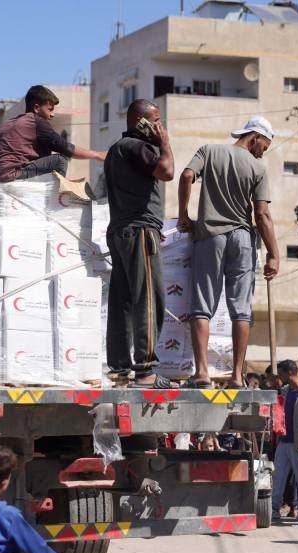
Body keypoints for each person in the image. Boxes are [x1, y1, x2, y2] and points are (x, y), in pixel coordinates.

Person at [176, 116, 281, 388]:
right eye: (264, 146)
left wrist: (183, 215)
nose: (262, 152)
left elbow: (186, 176)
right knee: (241, 310)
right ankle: (236, 376)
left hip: (210, 237)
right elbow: (262, 214)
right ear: (255, 137)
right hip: (242, 239)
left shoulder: (209, 151)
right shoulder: (257, 168)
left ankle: (202, 373)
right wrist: (274, 253)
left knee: (202, 307)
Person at [103, 99, 175, 388]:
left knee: (121, 302)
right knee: (148, 298)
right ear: (140, 122)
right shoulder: (137, 147)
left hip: (122, 230)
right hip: (139, 230)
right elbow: (167, 171)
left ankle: (119, 370)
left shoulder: (115, 150)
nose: (159, 126)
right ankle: (146, 371)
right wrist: (165, 144)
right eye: (155, 121)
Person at [0, 85, 105, 183]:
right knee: (60, 160)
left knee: (45, 152)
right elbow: (66, 148)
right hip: (9, 175)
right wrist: (98, 155)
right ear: (36, 108)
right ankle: (57, 197)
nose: (52, 114)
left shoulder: (8, 123)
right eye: (50, 109)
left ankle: (58, 184)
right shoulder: (36, 122)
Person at [271, 359, 298, 522]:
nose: (279, 377)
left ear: (289, 373)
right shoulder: (283, 391)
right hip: (283, 443)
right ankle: (274, 508)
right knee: (278, 477)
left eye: (281, 373)